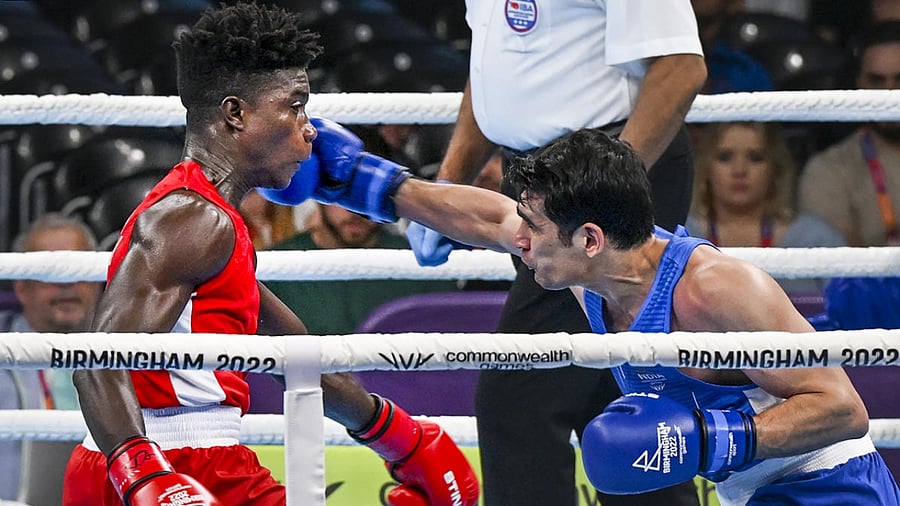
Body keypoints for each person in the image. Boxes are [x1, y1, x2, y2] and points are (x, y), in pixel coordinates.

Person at [290, 118, 900, 505]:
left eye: (534, 229)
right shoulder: (589, 269)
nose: (518, 242)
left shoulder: (716, 289)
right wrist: (369, 184)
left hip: (830, 489)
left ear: (589, 238)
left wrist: (713, 440)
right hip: (751, 493)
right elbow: (487, 217)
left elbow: (844, 409)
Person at [60, 3, 479, 506]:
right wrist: (144, 474)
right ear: (235, 113)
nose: (311, 129)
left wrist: (401, 437)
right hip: (169, 458)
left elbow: (295, 356)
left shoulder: (214, 223)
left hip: (166, 458)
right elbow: (99, 359)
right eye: (295, 105)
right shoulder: (193, 219)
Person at [405, 2, 708, 504]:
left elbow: (681, 65)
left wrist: (604, 188)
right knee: (621, 388)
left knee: (519, 398)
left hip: (612, 166)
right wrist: (449, 183)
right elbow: (497, 74)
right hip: (536, 175)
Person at [0, 214, 98, 503]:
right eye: (52, 274)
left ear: (97, 281)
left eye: (77, 271)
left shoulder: (127, 352)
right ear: (21, 288)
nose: (66, 285)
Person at [686, 121, 845, 293]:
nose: (739, 170)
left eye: (755, 157)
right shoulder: (681, 237)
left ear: (775, 169)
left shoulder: (817, 240)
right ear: (705, 167)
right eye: (725, 157)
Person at [265, 201, 459, 336]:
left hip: (408, 393)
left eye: (364, 195)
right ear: (318, 196)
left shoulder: (423, 264)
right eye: (341, 195)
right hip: (308, 392)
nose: (354, 210)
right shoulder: (275, 266)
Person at [799, 20, 900, 247]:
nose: (890, 93)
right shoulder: (828, 170)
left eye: (899, 79)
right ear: (859, 83)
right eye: (877, 80)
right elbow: (840, 272)